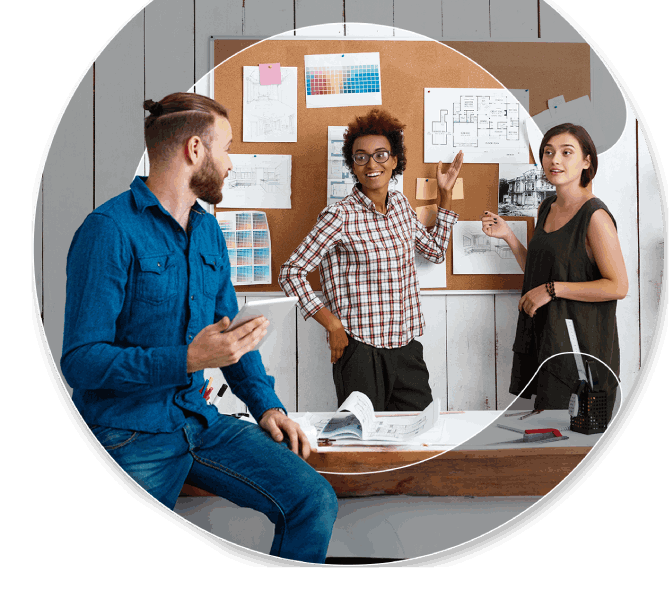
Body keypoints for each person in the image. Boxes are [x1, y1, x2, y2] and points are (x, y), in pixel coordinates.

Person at [61, 92, 338, 563]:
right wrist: (188, 360)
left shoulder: (208, 231)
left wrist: (267, 406)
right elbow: (81, 362)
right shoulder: (108, 229)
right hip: (128, 433)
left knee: (313, 500)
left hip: (200, 423)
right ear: (195, 149)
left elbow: (230, 337)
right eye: (226, 148)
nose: (230, 162)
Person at [279, 108, 463, 412]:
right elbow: (291, 272)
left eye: (380, 155)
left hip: (405, 349)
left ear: (394, 160)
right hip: (360, 351)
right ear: (353, 165)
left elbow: (434, 252)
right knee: (359, 436)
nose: (371, 164)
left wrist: (445, 196)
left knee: (420, 430)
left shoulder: (401, 205)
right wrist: (332, 324)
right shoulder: (339, 215)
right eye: (361, 157)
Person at [481, 123, 628, 420]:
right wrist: (509, 237)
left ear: (586, 161)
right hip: (546, 339)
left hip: (581, 349)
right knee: (545, 430)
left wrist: (552, 290)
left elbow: (618, 286)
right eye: (548, 152)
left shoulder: (595, 216)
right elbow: (539, 273)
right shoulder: (546, 208)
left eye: (566, 152)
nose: (554, 160)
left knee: (574, 435)